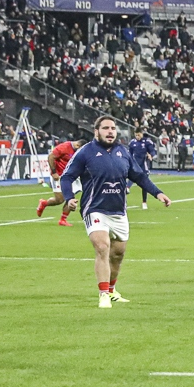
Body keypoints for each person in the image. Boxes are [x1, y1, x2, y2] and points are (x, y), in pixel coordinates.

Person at [61, 116, 171, 308]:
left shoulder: (123, 152)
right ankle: (103, 294)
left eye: (113, 128)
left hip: (118, 211)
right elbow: (67, 177)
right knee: (102, 247)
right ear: (96, 131)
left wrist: (158, 193)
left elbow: (139, 176)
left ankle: (111, 290)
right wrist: (69, 197)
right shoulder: (85, 152)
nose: (110, 131)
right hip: (94, 209)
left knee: (118, 254)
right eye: (106, 128)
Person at [36, 138, 88, 225]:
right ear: (77, 145)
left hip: (70, 177)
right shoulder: (64, 147)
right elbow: (51, 157)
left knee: (70, 197)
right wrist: (54, 172)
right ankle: (44, 203)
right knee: (59, 200)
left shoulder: (79, 151)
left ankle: (63, 220)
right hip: (59, 175)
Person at [128, 130, 157, 209]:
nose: (137, 137)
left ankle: (144, 202)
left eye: (139, 135)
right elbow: (129, 153)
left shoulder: (147, 142)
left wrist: (151, 155)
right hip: (135, 164)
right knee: (132, 176)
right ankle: (127, 189)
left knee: (144, 183)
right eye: (136, 135)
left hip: (144, 165)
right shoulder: (132, 142)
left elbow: (153, 151)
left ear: (142, 134)